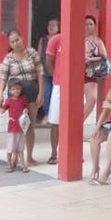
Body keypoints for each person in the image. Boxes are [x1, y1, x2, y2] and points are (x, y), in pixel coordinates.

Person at [0, 28, 45, 166]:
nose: (15, 43)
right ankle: (14, 156)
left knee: (29, 125)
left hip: (32, 90)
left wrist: (41, 92)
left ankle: (29, 156)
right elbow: (3, 77)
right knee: (16, 126)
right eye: (12, 42)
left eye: (17, 40)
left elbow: (40, 72)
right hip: (16, 93)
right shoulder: (8, 58)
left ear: (22, 38)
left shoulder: (32, 53)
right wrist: (0, 92)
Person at [82, 15, 110, 124]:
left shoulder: (98, 41)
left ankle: (78, 123)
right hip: (75, 72)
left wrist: (91, 59)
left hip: (90, 73)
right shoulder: (76, 39)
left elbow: (104, 58)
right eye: (85, 24)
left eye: (91, 24)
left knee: (92, 99)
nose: (88, 27)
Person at [1, 79, 29, 173]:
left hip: (21, 126)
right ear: (9, 91)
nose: (16, 91)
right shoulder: (8, 101)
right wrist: (0, 106)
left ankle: (22, 164)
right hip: (12, 127)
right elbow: (2, 109)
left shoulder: (23, 99)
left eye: (18, 89)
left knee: (20, 147)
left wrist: (25, 110)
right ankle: (9, 164)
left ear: (21, 89)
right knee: (10, 147)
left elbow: (26, 107)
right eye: (13, 89)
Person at [44, 31, 62, 165]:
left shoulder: (81, 39)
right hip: (59, 85)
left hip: (76, 86)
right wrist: (57, 77)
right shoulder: (55, 40)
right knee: (55, 121)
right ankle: (54, 153)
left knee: (74, 122)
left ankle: (74, 152)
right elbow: (49, 62)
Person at [37, 17, 59, 122]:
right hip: (45, 71)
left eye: (53, 25)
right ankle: (46, 114)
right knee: (46, 93)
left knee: (55, 95)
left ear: (58, 27)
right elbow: (39, 53)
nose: (51, 27)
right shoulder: (43, 39)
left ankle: (53, 115)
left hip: (57, 72)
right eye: (49, 25)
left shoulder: (61, 39)